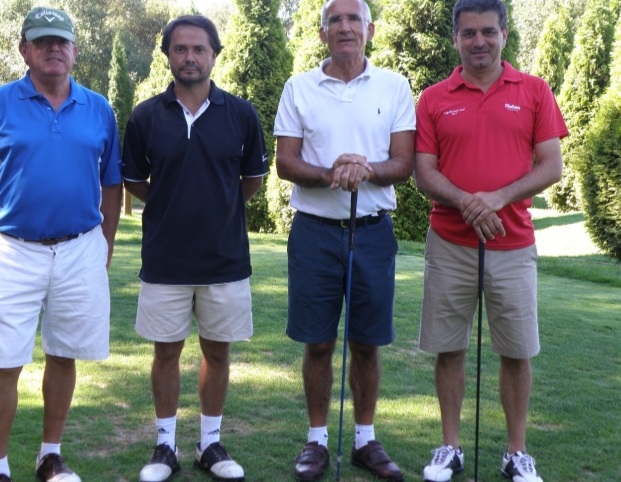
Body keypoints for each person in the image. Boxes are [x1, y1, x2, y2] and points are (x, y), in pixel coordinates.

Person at [0, 7, 122, 482]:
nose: (54, 49)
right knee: (2, 361)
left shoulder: (99, 109)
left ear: (74, 49)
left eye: (62, 41)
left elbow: (112, 185)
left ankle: (50, 455)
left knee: (64, 353)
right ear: (24, 49)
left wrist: (105, 246)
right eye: (43, 41)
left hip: (78, 248)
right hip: (10, 250)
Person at [414, 1, 568, 481]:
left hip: (514, 242)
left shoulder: (535, 91)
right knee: (449, 348)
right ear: (455, 38)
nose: (478, 41)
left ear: (504, 34)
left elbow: (551, 165)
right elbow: (424, 172)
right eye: (468, 33)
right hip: (449, 243)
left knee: (517, 351)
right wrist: (468, 202)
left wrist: (495, 198)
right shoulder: (434, 97)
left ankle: (516, 453)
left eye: (487, 32)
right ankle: (449, 447)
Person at [122, 15, 268, 482]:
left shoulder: (242, 114)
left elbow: (252, 180)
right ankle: (165, 446)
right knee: (165, 353)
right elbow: (134, 180)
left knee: (217, 353)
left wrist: (216, 208)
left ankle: (210, 444)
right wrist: (172, 202)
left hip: (224, 260)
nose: (189, 56)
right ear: (168, 55)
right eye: (180, 48)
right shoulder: (145, 116)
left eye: (198, 48)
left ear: (214, 54)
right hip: (165, 259)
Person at [274, 0, 415, 480]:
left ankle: (364, 439)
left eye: (353, 19)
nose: (345, 27)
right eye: (334, 20)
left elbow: (404, 163)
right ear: (322, 34)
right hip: (315, 233)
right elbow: (286, 163)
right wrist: (332, 172)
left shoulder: (394, 86)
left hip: (373, 233)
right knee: (316, 343)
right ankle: (316, 441)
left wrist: (367, 169)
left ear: (370, 29)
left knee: (367, 344)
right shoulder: (299, 87)